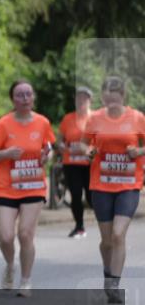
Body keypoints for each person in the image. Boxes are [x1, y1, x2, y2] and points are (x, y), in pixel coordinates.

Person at [76, 76, 145, 304]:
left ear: (123, 97)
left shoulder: (137, 118)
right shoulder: (95, 118)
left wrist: (139, 152)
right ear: (103, 98)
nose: (111, 104)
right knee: (106, 240)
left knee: (118, 234)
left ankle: (114, 283)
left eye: (115, 99)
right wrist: (88, 152)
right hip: (102, 185)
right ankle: (108, 272)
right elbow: (84, 143)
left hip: (129, 185)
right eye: (107, 100)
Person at [0, 79, 55, 297]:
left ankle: (26, 280)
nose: (25, 98)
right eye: (20, 95)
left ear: (33, 97)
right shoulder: (4, 124)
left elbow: (49, 147)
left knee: (25, 234)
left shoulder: (42, 122)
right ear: (13, 100)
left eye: (28, 94)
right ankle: (9, 265)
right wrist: (7, 154)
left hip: (33, 185)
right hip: (6, 187)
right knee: (6, 237)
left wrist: (46, 156)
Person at [56, 86, 95, 238]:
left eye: (84, 98)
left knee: (92, 196)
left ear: (90, 100)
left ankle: (106, 222)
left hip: (91, 164)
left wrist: (88, 150)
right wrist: (61, 146)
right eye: (78, 97)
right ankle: (79, 226)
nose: (81, 100)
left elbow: (103, 143)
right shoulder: (68, 118)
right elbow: (59, 140)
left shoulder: (96, 118)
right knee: (76, 194)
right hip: (71, 163)